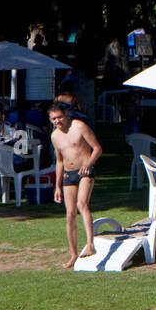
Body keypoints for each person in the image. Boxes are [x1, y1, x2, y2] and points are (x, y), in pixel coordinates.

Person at [49, 101, 103, 268]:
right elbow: (59, 161)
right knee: (70, 214)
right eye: (53, 119)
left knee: (82, 204)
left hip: (85, 171)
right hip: (68, 174)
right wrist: (57, 186)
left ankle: (90, 244)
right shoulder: (54, 136)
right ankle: (73, 254)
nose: (57, 121)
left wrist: (89, 164)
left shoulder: (79, 127)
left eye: (59, 117)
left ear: (66, 115)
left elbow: (97, 148)